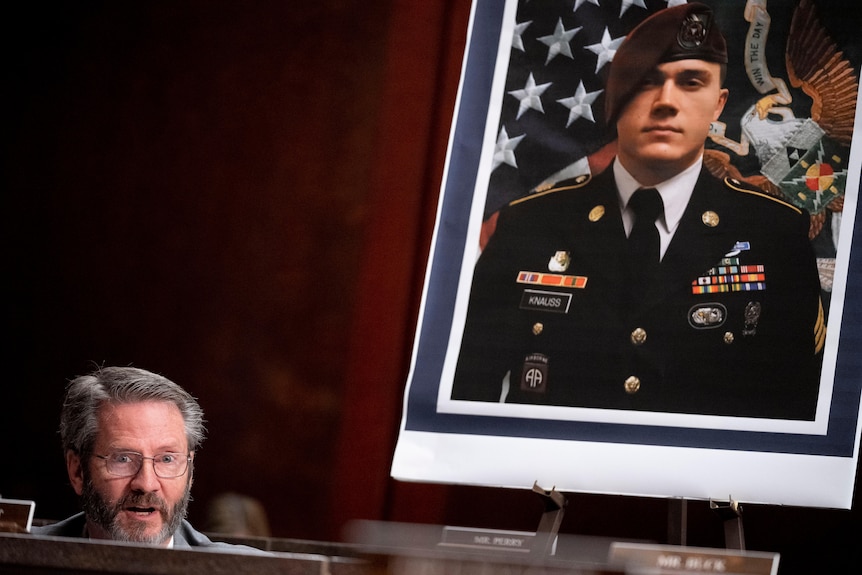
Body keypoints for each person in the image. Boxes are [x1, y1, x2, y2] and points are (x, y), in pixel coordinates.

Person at [451, 3, 825, 420]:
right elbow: (465, 394)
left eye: (690, 82)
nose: (666, 102)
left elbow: (796, 410)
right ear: (616, 96)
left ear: (718, 105)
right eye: (647, 82)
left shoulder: (775, 234)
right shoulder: (530, 226)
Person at [32, 366, 265, 551]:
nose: (146, 484)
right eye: (122, 459)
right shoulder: (18, 557)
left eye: (166, 459)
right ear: (77, 471)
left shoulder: (255, 572)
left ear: (190, 471)